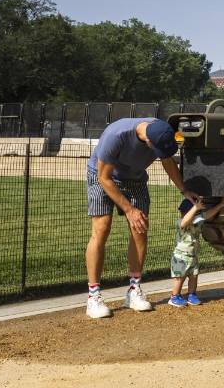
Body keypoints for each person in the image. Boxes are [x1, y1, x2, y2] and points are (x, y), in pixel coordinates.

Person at [85, 118, 198, 319]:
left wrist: (184, 189)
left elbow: (168, 161)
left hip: (135, 179)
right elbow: (104, 177)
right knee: (102, 228)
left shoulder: (159, 131)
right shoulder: (116, 136)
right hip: (102, 176)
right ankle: (93, 296)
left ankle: (133, 291)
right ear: (148, 142)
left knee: (140, 228)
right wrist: (129, 210)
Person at [167, 196, 224, 307]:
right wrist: (195, 207)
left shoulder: (197, 221)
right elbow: (185, 221)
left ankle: (192, 295)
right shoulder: (181, 223)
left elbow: (208, 214)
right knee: (179, 277)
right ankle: (174, 297)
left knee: (194, 276)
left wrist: (220, 205)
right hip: (180, 256)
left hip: (193, 256)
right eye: (194, 212)